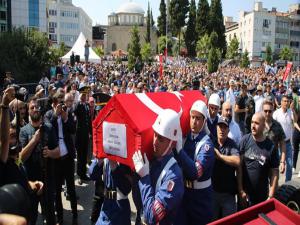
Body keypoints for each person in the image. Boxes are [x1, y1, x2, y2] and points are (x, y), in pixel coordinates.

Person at [132, 109, 184, 225]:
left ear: (173, 143)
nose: (155, 142)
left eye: (160, 139)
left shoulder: (174, 176)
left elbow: (152, 216)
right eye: (155, 135)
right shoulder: (152, 161)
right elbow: (138, 202)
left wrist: (144, 177)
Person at [19, 96, 59, 225]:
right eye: (32, 107)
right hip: (31, 183)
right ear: (28, 110)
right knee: (31, 218)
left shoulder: (49, 127)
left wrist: (51, 153)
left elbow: (59, 151)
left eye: (37, 107)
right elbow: (21, 158)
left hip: (48, 180)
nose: (35, 109)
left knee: (51, 217)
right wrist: (34, 140)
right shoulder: (24, 131)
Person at [174, 101, 215, 225]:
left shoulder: (207, 145)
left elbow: (195, 172)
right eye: (192, 117)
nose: (194, 121)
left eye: (198, 118)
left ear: (204, 121)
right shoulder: (187, 138)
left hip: (201, 199)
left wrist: (180, 150)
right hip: (185, 194)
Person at [44, 93, 78, 224]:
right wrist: (55, 115)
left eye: (62, 102)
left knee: (71, 187)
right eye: (58, 102)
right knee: (57, 190)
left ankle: (75, 215)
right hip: (55, 157)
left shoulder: (66, 113)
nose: (61, 105)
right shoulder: (48, 114)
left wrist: (65, 118)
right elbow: (47, 129)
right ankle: (60, 218)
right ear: (53, 102)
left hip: (67, 155)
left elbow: (73, 129)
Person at [238, 113, 279, 208]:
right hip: (245, 197)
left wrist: (271, 195)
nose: (253, 125)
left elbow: (274, 173)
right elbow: (239, 168)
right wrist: (240, 191)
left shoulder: (271, 147)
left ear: (264, 126)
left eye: (256, 123)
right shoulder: (244, 141)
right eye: (252, 122)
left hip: (262, 198)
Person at [212, 117, 240, 220]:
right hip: (213, 193)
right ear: (216, 128)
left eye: (224, 127)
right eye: (220, 127)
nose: (222, 130)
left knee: (229, 222)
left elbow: (237, 161)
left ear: (228, 130)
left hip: (228, 195)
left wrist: (220, 157)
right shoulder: (211, 143)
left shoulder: (231, 144)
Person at [272, 95, 297, 182]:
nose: (286, 103)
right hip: (278, 145)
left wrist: (293, 110)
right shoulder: (276, 113)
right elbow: (272, 127)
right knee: (275, 167)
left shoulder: (290, 112)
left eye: (287, 101)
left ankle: (287, 185)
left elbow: (295, 121)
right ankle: (275, 185)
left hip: (288, 144)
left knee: (289, 165)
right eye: (285, 101)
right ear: (281, 102)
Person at [262, 100, 287, 175]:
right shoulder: (258, 124)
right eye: (265, 111)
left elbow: (282, 144)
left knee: (274, 185)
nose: (267, 113)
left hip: (274, 160)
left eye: (270, 111)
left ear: (273, 111)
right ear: (262, 111)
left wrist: (282, 161)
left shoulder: (277, 125)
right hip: (261, 159)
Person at [74, 87, 92, 184]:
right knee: (80, 157)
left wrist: (90, 132)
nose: (84, 97)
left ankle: (84, 174)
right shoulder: (78, 105)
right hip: (79, 135)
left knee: (84, 156)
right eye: (83, 95)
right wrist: (78, 101)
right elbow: (74, 111)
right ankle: (80, 175)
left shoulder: (87, 105)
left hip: (85, 135)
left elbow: (88, 120)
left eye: (85, 95)